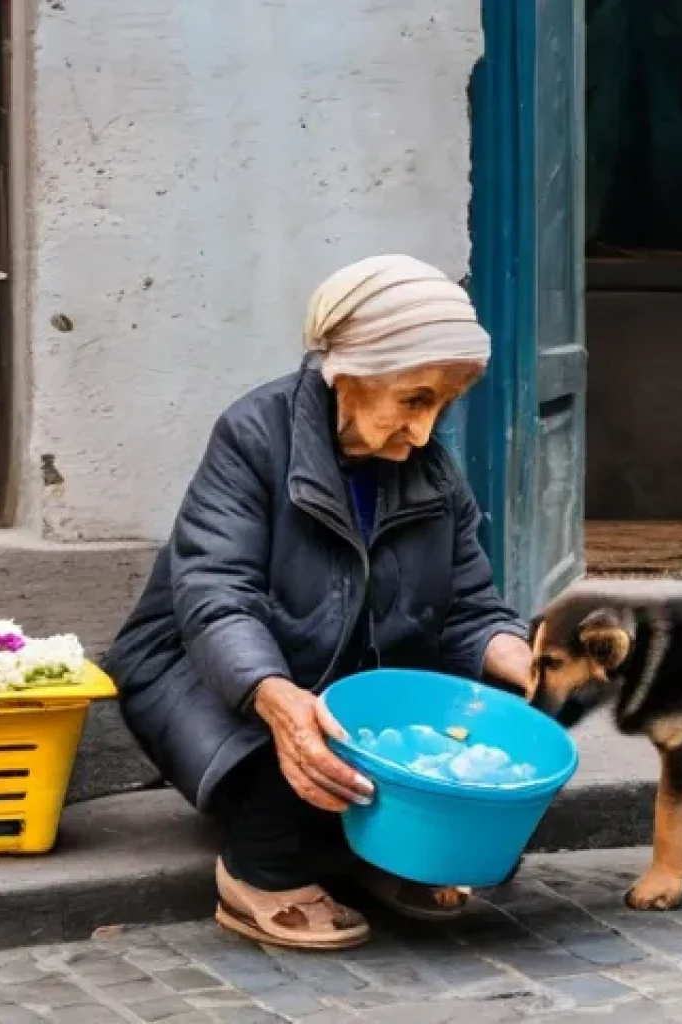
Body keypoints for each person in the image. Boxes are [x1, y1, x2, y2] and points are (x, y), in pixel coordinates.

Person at [102, 254, 534, 951]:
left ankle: (383, 851)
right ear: (350, 375)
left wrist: (527, 664)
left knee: (493, 728)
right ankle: (257, 876)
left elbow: (469, 610)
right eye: (415, 399)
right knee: (289, 739)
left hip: (343, 673)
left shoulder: (433, 471)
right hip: (198, 668)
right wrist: (275, 695)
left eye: (444, 405)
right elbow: (217, 599)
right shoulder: (254, 436)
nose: (425, 431)